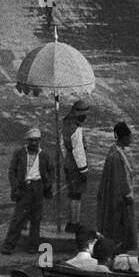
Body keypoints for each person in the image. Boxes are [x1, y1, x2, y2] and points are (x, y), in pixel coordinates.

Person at [1, 127, 53, 256]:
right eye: (31, 141)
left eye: (36, 141)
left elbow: (51, 171)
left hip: (38, 188)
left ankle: (33, 246)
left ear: (39, 141)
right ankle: (9, 245)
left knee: (36, 219)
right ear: (27, 141)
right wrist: (15, 188)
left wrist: (47, 184)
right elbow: (12, 172)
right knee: (18, 218)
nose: (34, 143)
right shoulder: (19, 154)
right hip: (24, 188)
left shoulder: (44, 156)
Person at [96, 121, 137, 253]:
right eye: (129, 137)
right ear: (123, 137)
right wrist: (127, 196)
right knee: (119, 229)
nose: (131, 139)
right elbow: (121, 179)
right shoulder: (116, 155)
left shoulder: (116, 151)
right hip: (119, 200)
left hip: (117, 197)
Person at [60, 99, 90, 232]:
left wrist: (66, 158)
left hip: (68, 163)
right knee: (76, 195)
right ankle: (74, 223)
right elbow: (79, 151)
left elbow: (62, 146)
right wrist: (83, 169)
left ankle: (71, 222)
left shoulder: (66, 125)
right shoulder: (76, 129)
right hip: (76, 166)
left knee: (71, 194)